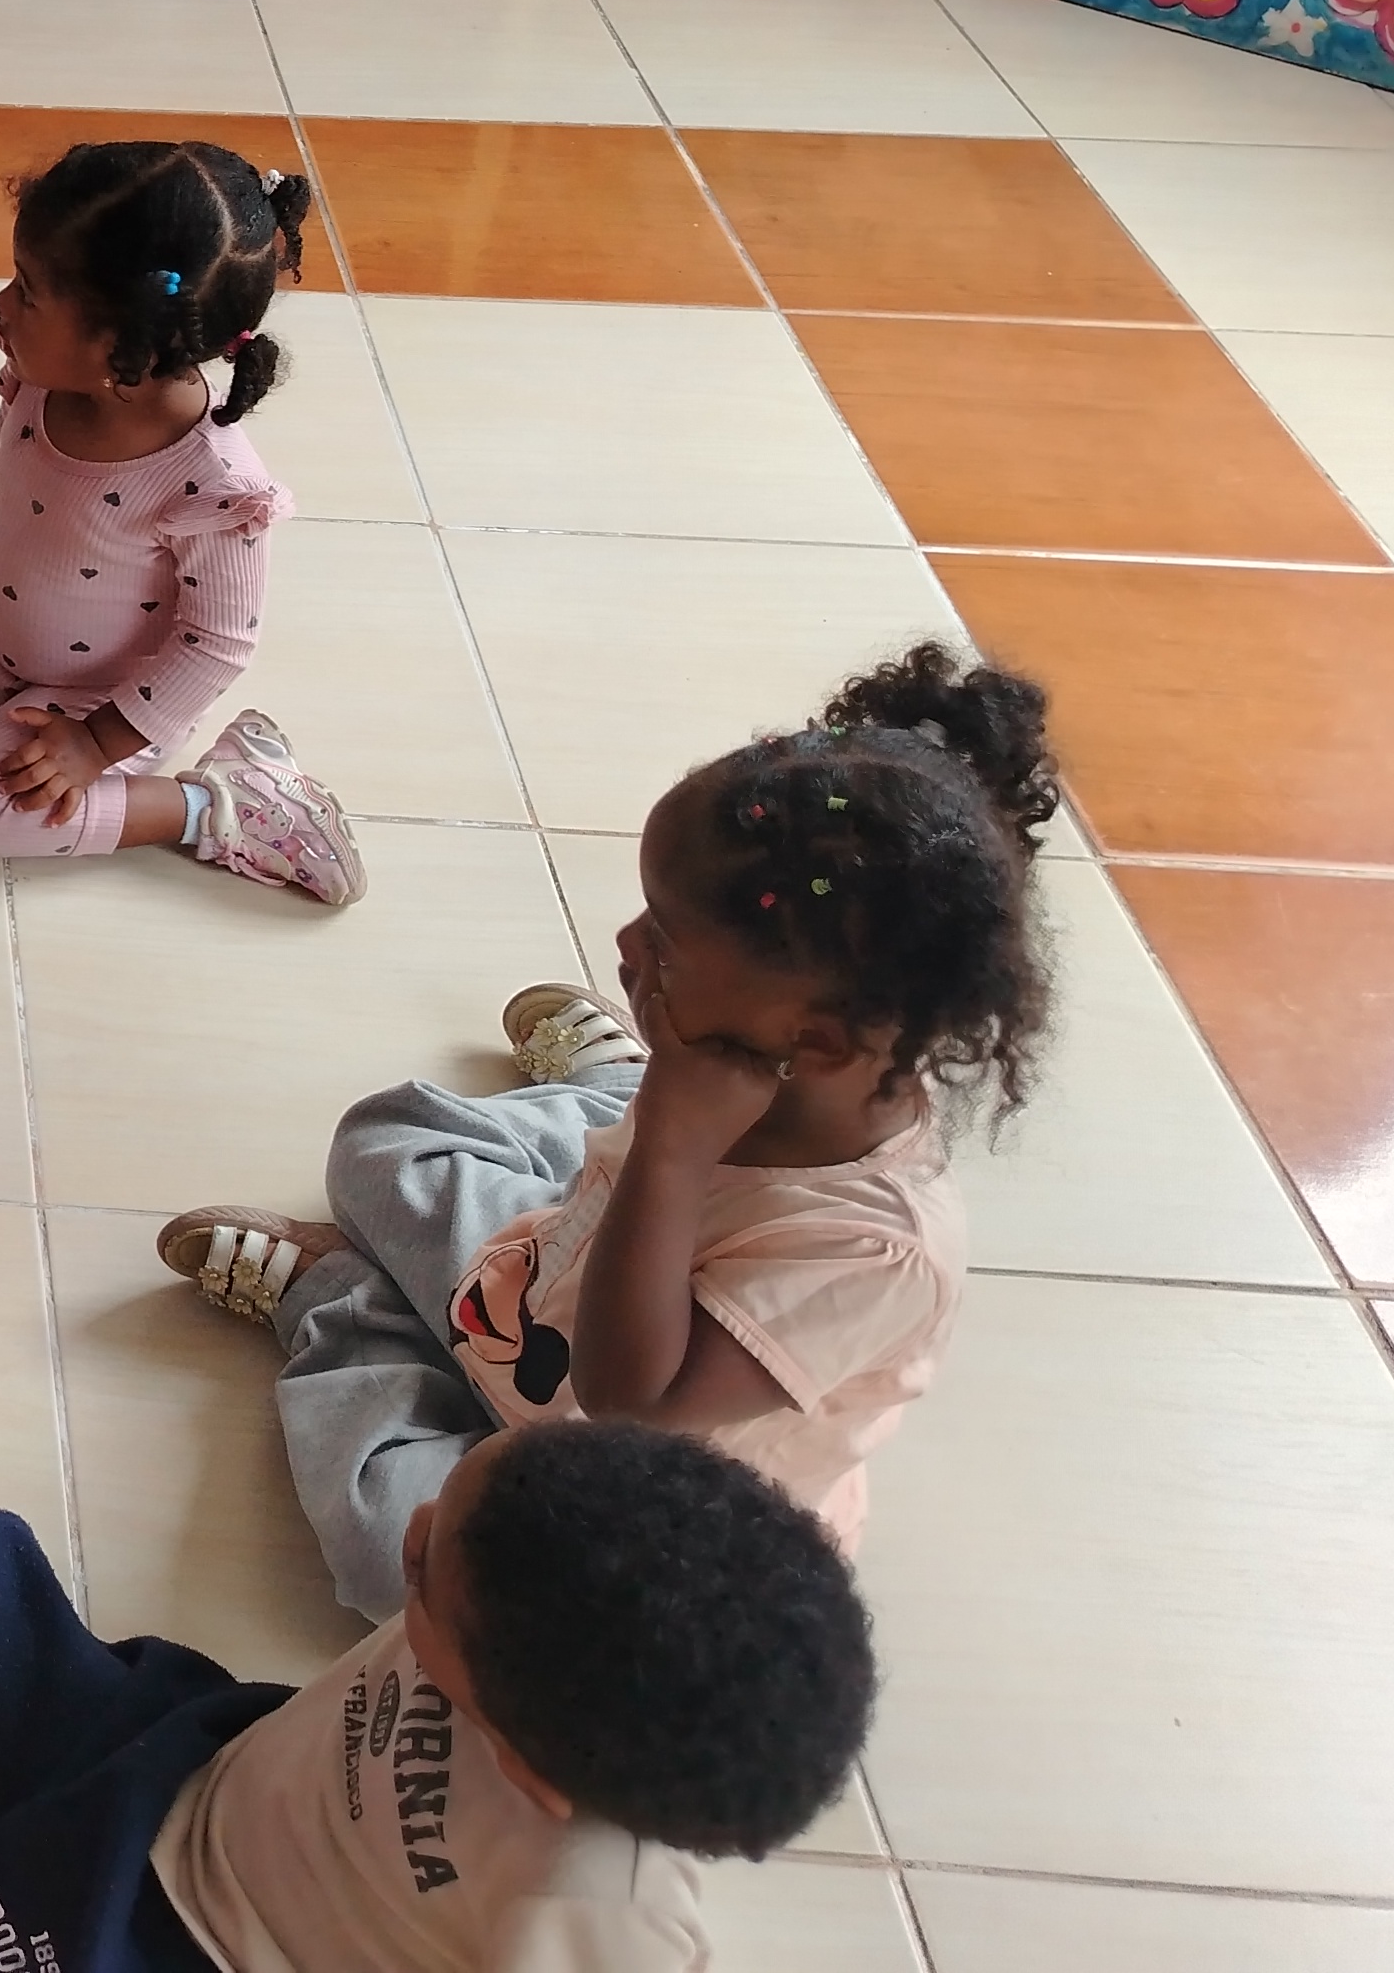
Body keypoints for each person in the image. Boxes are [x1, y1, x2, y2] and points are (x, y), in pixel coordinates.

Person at [0, 1176, 876, 1973]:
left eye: (424, 1567)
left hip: (179, 1944)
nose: (411, 1526)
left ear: (534, 1772)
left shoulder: (609, 1924)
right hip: (191, 1759)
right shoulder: (577, 1583)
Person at [162, 644, 1058, 1616]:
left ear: (817, 1039)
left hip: (616, 1478)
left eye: (663, 941)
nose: (627, 944)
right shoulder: (748, 1063)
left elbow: (632, 1400)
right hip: (550, 1270)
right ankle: (614, 1082)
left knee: (400, 1565)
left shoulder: (874, 1250)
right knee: (384, 1138)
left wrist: (674, 1137)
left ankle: (342, 1303)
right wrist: (663, 1114)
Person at [0, 138, 362, 903]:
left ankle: (222, 806)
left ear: (122, 347)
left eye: (28, 291)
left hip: (104, 694)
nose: (2, 304)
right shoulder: (44, 385)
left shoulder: (217, 487)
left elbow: (218, 645)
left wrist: (95, 744)